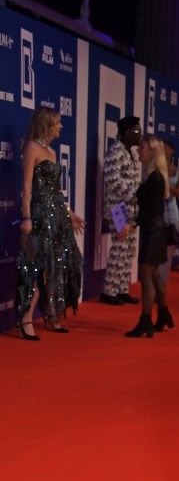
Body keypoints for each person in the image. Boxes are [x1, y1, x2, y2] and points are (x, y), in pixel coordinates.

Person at [16, 106, 84, 340]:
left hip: (56, 217)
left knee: (58, 266)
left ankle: (52, 314)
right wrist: (26, 218)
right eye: (58, 122)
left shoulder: (53, 153)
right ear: (46, 124)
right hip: (38, 215)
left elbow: (57, 191)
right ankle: (26, 319)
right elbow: (26, 187)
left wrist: (70, 213)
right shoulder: (31, 147)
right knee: (36, 267)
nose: (61, 126)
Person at [124, 135, 173, 338]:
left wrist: (132, 223)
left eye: (142, 148)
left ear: (152, 152)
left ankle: (146, 320)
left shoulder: (154, 179)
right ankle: (163, 314)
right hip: (154, 230)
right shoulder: (154, 177)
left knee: (146, 275)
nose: (138, 150)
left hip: (153, 230)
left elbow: (151, 210)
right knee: (153, 275)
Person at [99, 116, 142, 305]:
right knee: (119, 248)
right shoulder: (116, 151)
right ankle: (109, 291)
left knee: (128, 250)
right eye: (136, 130)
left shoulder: (129, 152)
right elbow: (113, 180)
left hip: (129, 208)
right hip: (118, 208)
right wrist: (137, 192)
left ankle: (122, 289)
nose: (140, 134)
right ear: (126, 133)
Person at [161, 140, 179, 284]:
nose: (163, 152)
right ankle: (156, 286)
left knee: (168, 255)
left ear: (172, 151)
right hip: (158, 215)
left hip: (173, 214)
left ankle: (162, 285)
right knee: (156, 255)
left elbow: (178, 192)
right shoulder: (156, 170)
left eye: (165, 148)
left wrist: (163, 184)